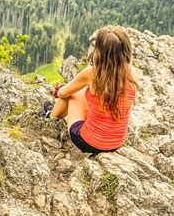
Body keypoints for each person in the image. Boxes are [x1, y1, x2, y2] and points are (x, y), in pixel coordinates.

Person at [41, 26, 138, 154]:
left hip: (87, 142)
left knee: (72, 93)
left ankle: (51, 116)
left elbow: (64, 93)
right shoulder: (133, 74)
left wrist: (59, 91)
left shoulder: (92, 73)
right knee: (87, 94)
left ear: (100, 51)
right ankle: (55, 115)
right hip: (116, 143)